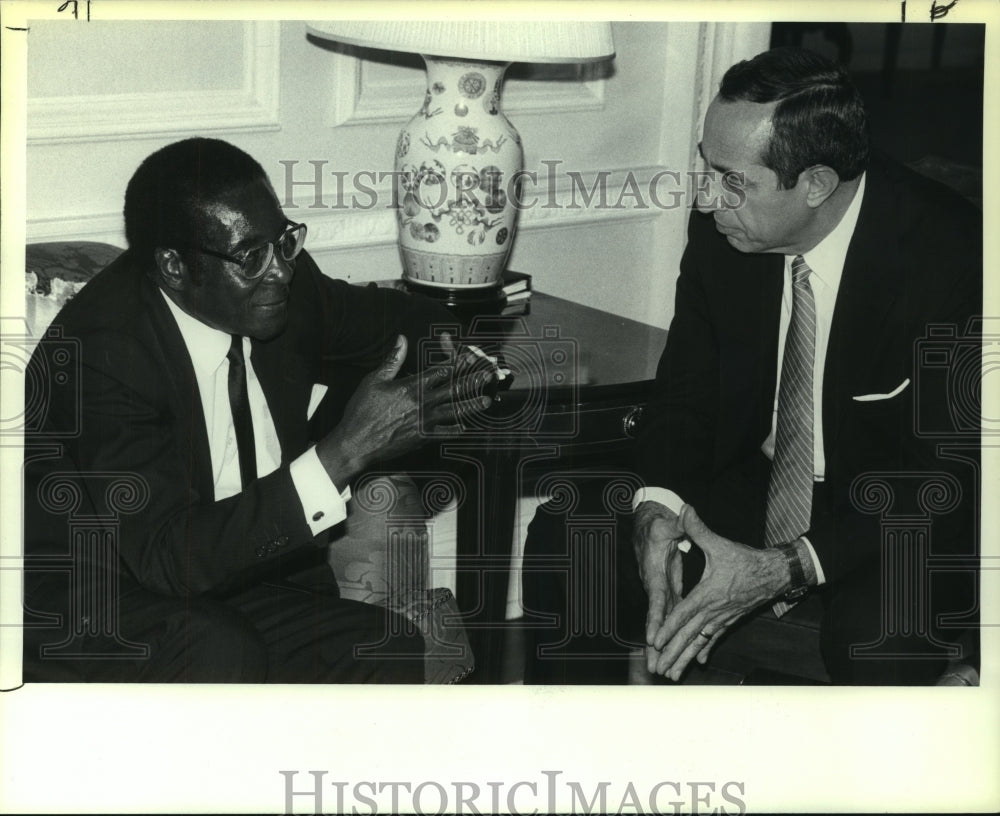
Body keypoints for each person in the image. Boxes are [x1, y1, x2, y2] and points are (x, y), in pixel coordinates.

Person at [523, 47, 981, 685]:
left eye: (733, 179)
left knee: (879, 634)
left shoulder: (958, 258)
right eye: (706, 168)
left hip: (890, 513)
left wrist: (791, 565)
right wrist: (657, 505)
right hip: (758, 480)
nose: (708, 199)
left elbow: (949, 478)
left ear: (816, 184)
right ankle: (582, 762)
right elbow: (686, 394)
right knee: (569, 533)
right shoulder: (722, 234)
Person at [23, 137, 496, 683]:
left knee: (383, 647)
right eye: (251, 256)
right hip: (93, 598)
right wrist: (344, 451)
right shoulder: (102, 354)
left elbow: (406, 321)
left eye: (284, 241)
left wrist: (463, 362)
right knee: (223, 650)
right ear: (174, 266)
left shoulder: (278, 282)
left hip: (225, 579)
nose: (281, 271)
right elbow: (165, 558)